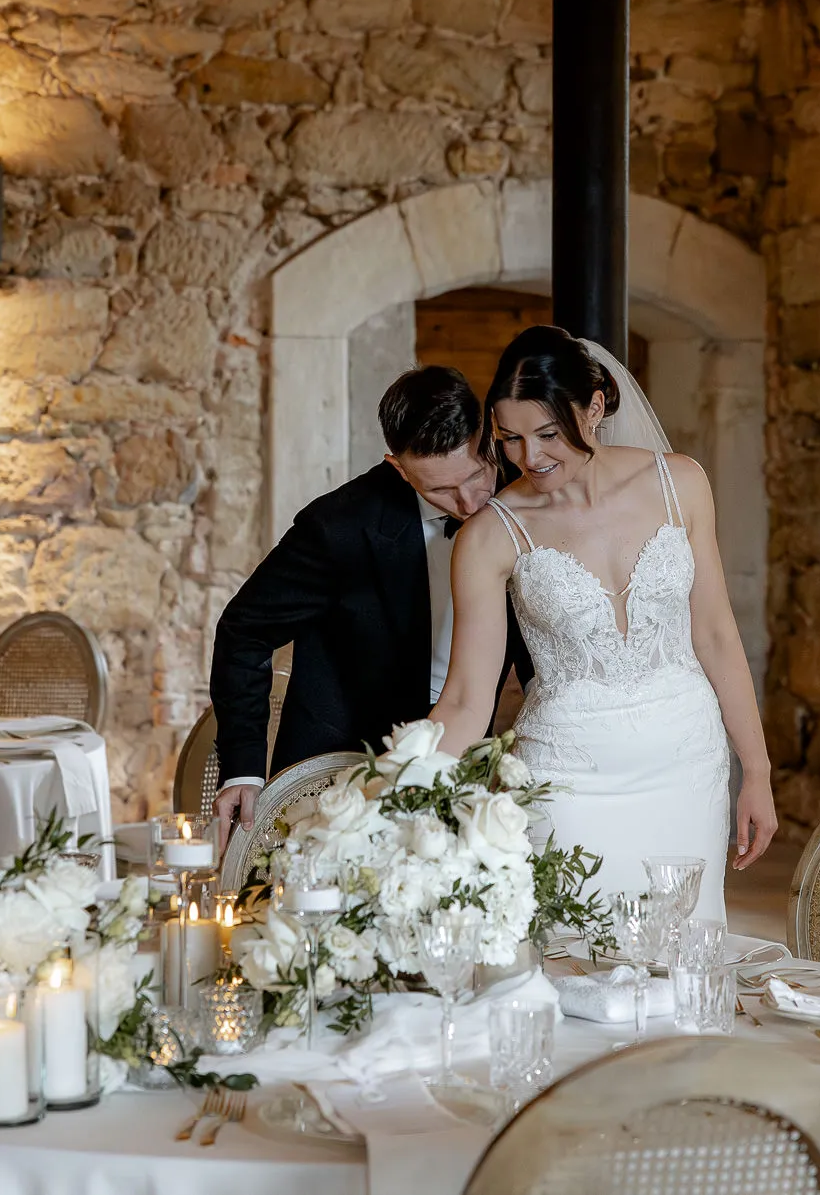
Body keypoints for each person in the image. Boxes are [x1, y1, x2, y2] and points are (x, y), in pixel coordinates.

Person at [426, 326, 777, 919]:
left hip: (687, 768)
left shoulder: (681, 483)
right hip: (567, 780)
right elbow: (465, 699)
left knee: (678, 965)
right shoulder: (488, 535)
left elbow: (716, 635)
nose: (530, 458)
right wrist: (399, 791)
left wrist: (758, 773)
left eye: (547, 433)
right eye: (509, 438)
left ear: (594, 407)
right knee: (573, 971)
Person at [210, 366, 532, 842]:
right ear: (398, 467)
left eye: (475, 475)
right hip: (343, 774)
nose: (468, 503)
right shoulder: (339, 527)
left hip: (472, 766)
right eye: (441, 489)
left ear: (487, 437)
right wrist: (243, 768)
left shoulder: (525, 498)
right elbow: (244, 631)